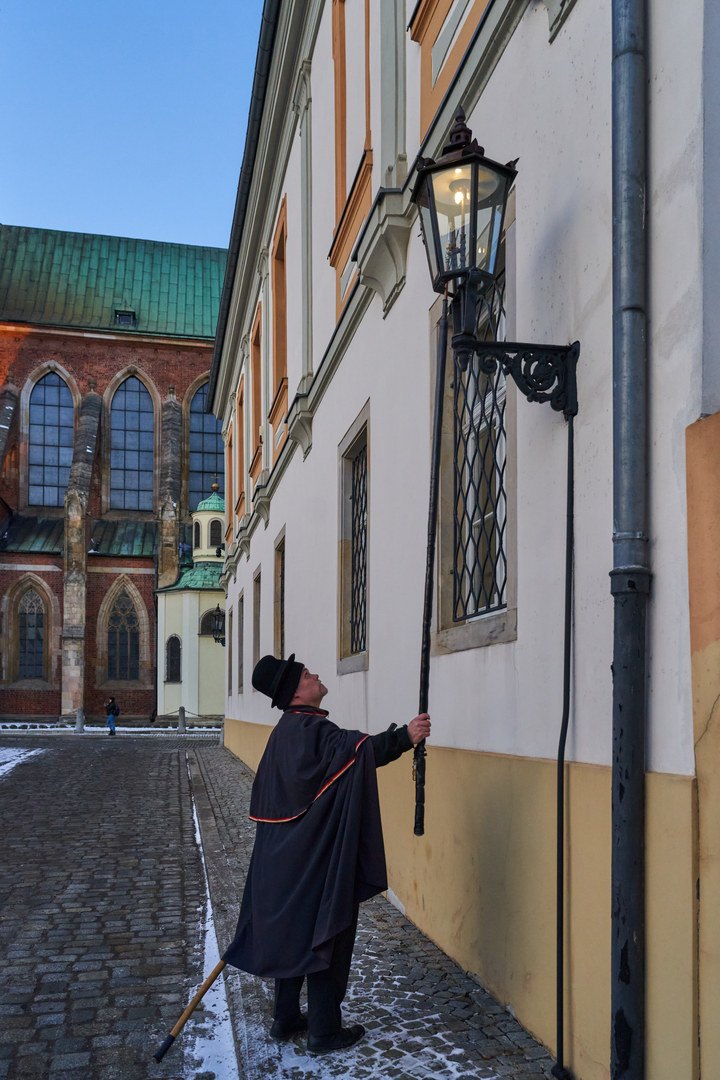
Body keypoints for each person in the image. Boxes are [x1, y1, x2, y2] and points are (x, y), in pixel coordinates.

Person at [223, 653, 431, 1056]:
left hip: (278, 863)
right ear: (296, 690)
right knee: (325, 933)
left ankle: (285, 1018)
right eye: (306, 674)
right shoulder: (313, 730)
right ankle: (324, 1031)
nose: (315, 675)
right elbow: (361, 751)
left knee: (290, 935)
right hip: (311, 860)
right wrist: (406, 735)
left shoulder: (284, 731)